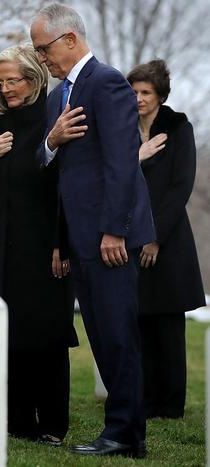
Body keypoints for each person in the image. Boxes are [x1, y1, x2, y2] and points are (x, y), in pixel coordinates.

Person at [30, 3, 155, 457]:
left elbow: (122, 162)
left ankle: (125, 435)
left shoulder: (106, 82)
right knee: (102, 335)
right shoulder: (56, 98)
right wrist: (51, 140)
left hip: (110, 238)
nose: (40, 57)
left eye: (42, 48)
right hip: (79, 238)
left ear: (69, 39)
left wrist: (115, 231)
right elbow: (58, 172)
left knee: (118, 335)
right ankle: (118, 430)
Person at [0, 43, 77, 446]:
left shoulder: (53, 116)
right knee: (9, 334)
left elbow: (60, 186)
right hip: (3, 245)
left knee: (45, 335)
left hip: (46, 244)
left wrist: (61, 245)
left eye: (14, 80)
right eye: (1, 81)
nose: (7, 88)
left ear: (33, 78)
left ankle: (52, 424)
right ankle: (17, 421)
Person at [127, 59, 205, 419]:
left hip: (168, 239)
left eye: (145, 92)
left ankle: (171, 404)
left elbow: (180, 187)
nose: (138, 98)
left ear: (160, 96)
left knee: (168, 326)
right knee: (140, 321)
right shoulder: (123, 127)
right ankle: (145, 398)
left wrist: (154, 237)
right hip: (129, 237)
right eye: (134, 91)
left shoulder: (177, 126)